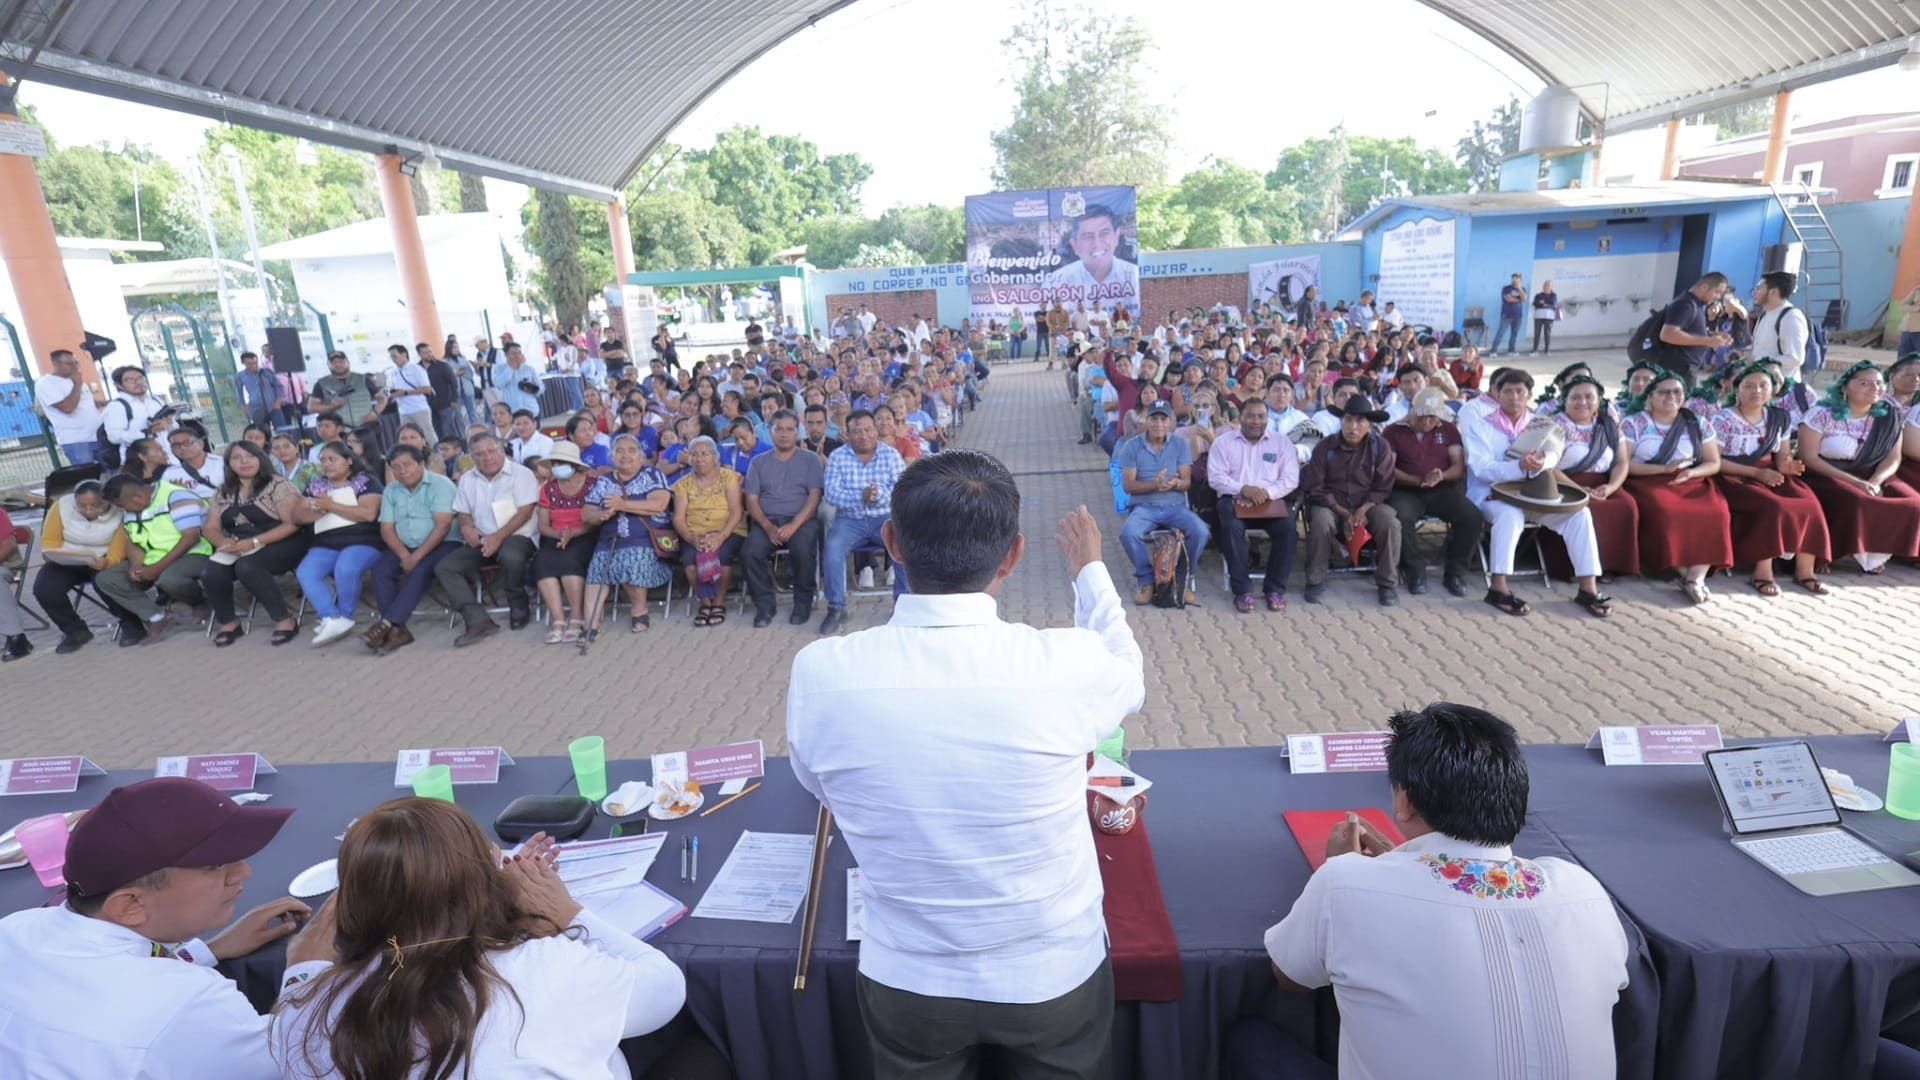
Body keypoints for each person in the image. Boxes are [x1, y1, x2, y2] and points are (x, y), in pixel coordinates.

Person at [787, 457, 1143, 1080]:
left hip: (909, 977)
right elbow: (1126, 674)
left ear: (891, 543)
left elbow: (821, 789)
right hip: (1051, 971)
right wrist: (1089, 570)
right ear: (1013, 556)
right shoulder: (1063, 663)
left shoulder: (822, 672)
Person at [1237, 704, 1629, 1080]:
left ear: (1404, 801)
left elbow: (1290, 976)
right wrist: (1400, 864)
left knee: (1249, 1044)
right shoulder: (1583, 892)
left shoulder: (1343, 885)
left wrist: (1340, 866)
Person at [270, 799, 686, 1080]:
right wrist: (566, 914)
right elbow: (666, 990)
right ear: (482, 886)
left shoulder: (305, 1011)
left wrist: (302, 972)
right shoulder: (547, 967)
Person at [0, 777, 328, 1080]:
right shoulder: (187, 1003)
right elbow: (295, 1059)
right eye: (216, 866)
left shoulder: (16, 928)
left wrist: (206, 951)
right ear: (130, 905)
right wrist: (305, 967)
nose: (243, 873)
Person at [1463, 368, 1612, 617]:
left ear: (1529, 395)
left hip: (1533, 494)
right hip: (1491, 495)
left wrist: (1541, 464)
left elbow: (1553, 455)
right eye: (1507, 391)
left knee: (1580, 515)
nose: (1514, 397)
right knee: (1510, 515)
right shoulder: (1480, 426)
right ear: (1496, 395)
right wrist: (1518, 466)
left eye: (1520, 391)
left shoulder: (1541, 424)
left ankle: (1588, 588)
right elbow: (1480, 468)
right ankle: (1498, 588)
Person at [1711, 361, 1831, 596]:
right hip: (1733, 476)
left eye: (1763, 386)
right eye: (1749, 386)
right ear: (1737, 390)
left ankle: (1805, 571)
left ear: (1773, 390)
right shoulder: (1722, 419)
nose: (1757, 391)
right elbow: (1715, 461)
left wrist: (1789, 466)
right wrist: (1756, 473)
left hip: (1769, 473)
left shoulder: (1779, 417)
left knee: (1809, 504)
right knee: (1773, 507)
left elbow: (1782, 458)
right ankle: (1762, 572)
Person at [1618, 369, 1734, 604]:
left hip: (1690, 479)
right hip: (1648, 480)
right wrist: (1662, 470)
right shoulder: (1634, 423)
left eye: (1677, 392)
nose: (1671, 396)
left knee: (1716, 511)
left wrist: (1693, 471)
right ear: (1650, 396)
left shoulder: (1697, 422)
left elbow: (1713, 462)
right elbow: (1625, 464)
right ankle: (1684, 572)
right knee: (1665, 512)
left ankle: (1696, 578)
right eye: (1663, 392)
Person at [1798, 359, 1920, 573]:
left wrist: (1875, 481)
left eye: (1879, 383)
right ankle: (1830, 554)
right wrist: (1856, 482)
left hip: (1872, 473)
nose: (1874, 388)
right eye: (1865, 383)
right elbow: (1809, 458)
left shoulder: (1890, 416)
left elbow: (1893, 459)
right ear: (1845, 387)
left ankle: (1876, 554)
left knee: (1913, 503)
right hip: (1826, 473)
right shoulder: (1822, 414)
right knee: (1858, 501)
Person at [201, 441, 311, 646]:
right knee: (211, 572)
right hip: (241, 545)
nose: (244, 462)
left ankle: (284, 619)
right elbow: (210, 528)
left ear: (260, 458)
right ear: (228, 464)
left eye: (250, 456)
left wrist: (254, 541)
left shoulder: (277, 484)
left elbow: (292, 524)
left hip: (284, 540)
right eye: (236, 458)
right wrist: (223, 541)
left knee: (248, 566)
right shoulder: (223, 492)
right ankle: (229, 622)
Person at [1301, 393, 1401, 606]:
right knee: (1320, 522)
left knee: (1390, 523)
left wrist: (1362, 510)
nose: (1353, 426)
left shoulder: (1380, 447)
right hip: (1332, 506)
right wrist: (1345, 513)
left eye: (1360, 421)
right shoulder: (1324, 447)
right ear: (1341, 421)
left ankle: (1387, 583)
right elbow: (1316, 488)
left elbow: (1383, 486)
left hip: (1369, 506)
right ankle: (1315, 580)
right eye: (1348, 419)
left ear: (1369, 424)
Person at [439, 433, 539, 639]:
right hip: (482, 539)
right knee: (446, 567)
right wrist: (467, 529)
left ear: (502, 450)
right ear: (472, 457)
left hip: (517, 535)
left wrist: (497, 538)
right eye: (480, 454)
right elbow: (464, 514)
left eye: (492, 451)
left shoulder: (521, 474)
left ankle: (518, 604)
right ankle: (477, 619)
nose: (487, 457)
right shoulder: (467, 479)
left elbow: (525, 512)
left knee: (511, 556)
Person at [94, 473, 213, 645]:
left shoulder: (176, 496)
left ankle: (199, 602)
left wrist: (157, 568)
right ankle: (157, 616)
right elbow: (132, 541)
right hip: (154, 557)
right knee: (107, 579)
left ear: (138, 497)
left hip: (194, 553)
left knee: (170, 579)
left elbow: (191, 537)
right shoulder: (133, 507)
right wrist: (136, 565)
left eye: (121, 506)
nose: (121, 510)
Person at [1383, 388, 1480, 596]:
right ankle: (1415, 571)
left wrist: (1441, 476)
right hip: (1405, 490)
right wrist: (1418, 480)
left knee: (1471, 516)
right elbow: (1388, 469)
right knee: (1401, 518)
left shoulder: (1448, 429)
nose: (1427, 421)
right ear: (1412, 411)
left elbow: (1458, 466)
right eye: (1422, 416)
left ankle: (1455, 573)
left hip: (1441, 488)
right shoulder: (1393, 431)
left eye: (1432, 417)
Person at [818, 411, 908, 635]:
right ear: (847, 434)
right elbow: (831, 494)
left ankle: (904, 606)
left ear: (876, 430)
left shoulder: (891, 455)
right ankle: (837, 607)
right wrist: (861, 496)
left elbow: (902, 490)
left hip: (884, 517)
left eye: (868, 429)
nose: (863, 435)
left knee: (903, 546)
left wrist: (877, 496)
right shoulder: (838, 456)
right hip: (850, 519)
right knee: (832, 550)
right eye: (857, 431)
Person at [1208, 399, 1299, 613]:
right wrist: (1244, 489)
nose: (1256, 421)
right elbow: (1215, 477)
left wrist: (1265, 493)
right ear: (1240, 418)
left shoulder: (1281, 443)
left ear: (1267, 419)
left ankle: (1275, 589)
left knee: (1288, 530)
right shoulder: (1223, 442)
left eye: (1261, 416)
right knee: (1231, 529)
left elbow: (1290, 479)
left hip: (1270, 502)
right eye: (1250, 416)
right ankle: (1243, 591)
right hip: (1234, 499)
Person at [365, 444, 459, 652]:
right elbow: (387, 529)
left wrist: (415, 558)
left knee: (421, 569)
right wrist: (404, 554)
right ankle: (399, 630)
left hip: (443, 542)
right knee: (381, 570)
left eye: (407, 465)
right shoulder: (391, 489)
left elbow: (443, 526)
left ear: (421, 464)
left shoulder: (440, 484)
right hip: (405, 545)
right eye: (396, 467)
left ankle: (387, 624)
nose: (402, 471)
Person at [581, 433, 674, 641]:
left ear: (640, 456)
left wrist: (623, 505)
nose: (626, 455)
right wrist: (601, 515)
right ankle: (590, 626)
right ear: (612, 456)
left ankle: (639, 611)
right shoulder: (604, 481)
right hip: (609, 539)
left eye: (632, 450)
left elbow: (659, 504)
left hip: (645, 538)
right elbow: (587, 513)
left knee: (630, 559)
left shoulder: (652, 474)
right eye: (620, 451)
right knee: (596, 571)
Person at [292, 440, 385, 646]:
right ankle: (331, 617)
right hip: (325, 542)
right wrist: (313, 510)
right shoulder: (316, 485)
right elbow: (297, 516)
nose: (326, 464)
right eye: (323, 460)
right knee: (306, 572)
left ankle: (345, 616)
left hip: (363, 540)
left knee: (346, 566)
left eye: (332, 459)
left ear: (349, 461)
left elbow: (368, 514)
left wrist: (331, 505)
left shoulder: (367, 481)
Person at [1115, 400, 1207, 605]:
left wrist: (1175, 483)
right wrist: (1154, 485)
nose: (1158, 423)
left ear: (1171, 423)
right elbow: (1129, 486)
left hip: (1175, 507)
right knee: (1128, 533)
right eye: (1154, 418)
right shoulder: (1132, 446)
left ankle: (1185, 578)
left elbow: (1186, 481)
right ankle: (1147, 580)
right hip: (1144, 507)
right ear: (1147, 421)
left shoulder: (1179, 444)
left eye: (1163, 419)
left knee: (1201, 532)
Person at [1548, 377, 1640, 581]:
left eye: (1589, 397)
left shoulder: (1609, 426)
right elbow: (1549, 467)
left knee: (1626, 506)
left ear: (1599, 401)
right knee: (1585, 510)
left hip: (1602, 482)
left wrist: (1611, 486)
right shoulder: (1554, 426)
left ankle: (1609, 566)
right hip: (1564, 483)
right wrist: (1578, 488)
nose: (1582, 402)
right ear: (1565, 401)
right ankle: (1575, 568)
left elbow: (1621, 462)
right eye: (1575, 397)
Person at [742, 410, 826, 627]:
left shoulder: (810, 460)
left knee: (802, 550)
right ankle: (765, 605)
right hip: (768, 520)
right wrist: (768, 527)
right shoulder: (758, 463)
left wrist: (794, 524)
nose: (784, 434)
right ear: (770, 432)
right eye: (779, 429)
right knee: (750, 552)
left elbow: (814, 496)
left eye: (790, 429)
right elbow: (752, 500)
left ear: (797, 433)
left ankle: (803, 603)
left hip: (802, 520)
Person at [29, 479, 129, 654]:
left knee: (106, 582)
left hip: (103, 558)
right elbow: (50, 542)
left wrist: (107, 562)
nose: (88, 510)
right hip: (68, 558)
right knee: (44, 588)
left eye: (95, 505)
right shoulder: (62, 506)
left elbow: (118, 549)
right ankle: (76, 631)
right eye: (82, 506)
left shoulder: (119, 511)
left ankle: (130, 624)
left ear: (106, 500)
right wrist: (53, 555)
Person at [531, 442, 603, 643]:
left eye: (561, 462)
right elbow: (543, 524)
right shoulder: (548, 489)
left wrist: (574, 533)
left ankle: (578, 616)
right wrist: (560, 535)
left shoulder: (593, 484)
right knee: (544, 562)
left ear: (574, 464)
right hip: (555, 536)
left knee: (570, 560)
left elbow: (596, 520)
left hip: (585, 535)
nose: (557, 466)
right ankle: (558, 619)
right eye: (555, 463)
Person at [671, 435, 746, 628]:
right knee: (690, 563)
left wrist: (720, 537)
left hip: (728, 529)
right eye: (694, 454)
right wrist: (691, 538)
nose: (699, 458)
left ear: (715, 457)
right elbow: (678, 518)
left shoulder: (728, 477)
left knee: (722, 557)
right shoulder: (683, 484)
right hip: (695, 533)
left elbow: (737, 511)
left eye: (704, 454)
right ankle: (705, 602)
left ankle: (718, 602)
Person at [1045, 204, 1140, 306]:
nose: (1097, 244)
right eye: (1088, 237)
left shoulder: (1133, 275)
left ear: (1116, 237)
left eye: (1104, 233)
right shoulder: (1056, 281)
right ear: (1075, 245)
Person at [306, 351, 387, 454]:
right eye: (334, 362)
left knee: (376, 457)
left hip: (367, 428)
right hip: (342, 432)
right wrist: (332, 407)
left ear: (348, 362)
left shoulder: (363, 379)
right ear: (328, 365)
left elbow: (383, 398)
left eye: (341, 361)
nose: (338, 364)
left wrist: (375, 413)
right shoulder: (322, 384)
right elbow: (311, 407)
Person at [35, 347, 105, 465]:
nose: (74, 367)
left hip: (98, 436)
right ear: (55, 363)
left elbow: (85, 403)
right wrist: (77, 384)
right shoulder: (46, 384)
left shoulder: (76, 380)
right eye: (69, 364)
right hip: (77, 441)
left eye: (75, 363)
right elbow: (68, 408)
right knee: (87, 478)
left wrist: (105, 403)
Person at [1658, 272, 1734, 375]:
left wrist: (1712, 335)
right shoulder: (1686, 305)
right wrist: (1707, 341)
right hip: (1678, 369)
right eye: (1717, 292)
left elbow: (1687, 330)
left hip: (1685, 368)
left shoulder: (1695, 305)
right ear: (1704, 287)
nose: (1718, 297)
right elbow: (1668, 334)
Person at [103, 365, 175, 464]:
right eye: (129, 380)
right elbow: (114, 437)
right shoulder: (117, 406)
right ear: (119, 385)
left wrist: (169, 423)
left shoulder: (155, 400)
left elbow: (174, 427)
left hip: (168, 457)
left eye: (140, 378)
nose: (138, 382)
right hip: (140, 462)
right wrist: (147, 432)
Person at [1750, 270, 1810, 384]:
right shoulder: (1765, 313)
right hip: (1762, 384)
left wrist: (1760, 361)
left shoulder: (1790, 317)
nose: (1755, 292)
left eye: (1759, 288)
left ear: (1773, 292)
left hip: (1782, 387)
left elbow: (1795, 358)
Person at [161, 426, 224, 498]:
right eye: (176, 445)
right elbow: (165, 501)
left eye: (187, 443)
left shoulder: (222, 463)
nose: (182, 447)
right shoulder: (170, 474)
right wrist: (176, 493)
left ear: (201, 444)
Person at [493, 342, 543, 417]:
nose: (517, 356)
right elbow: (499, 384)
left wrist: (534, 389)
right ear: (506, 355)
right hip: (511, 412)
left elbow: (541, 386)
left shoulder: (529, 369)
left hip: (530, 410)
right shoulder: (499, 369)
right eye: (513, 353)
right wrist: (511, 368)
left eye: (519, 353)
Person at [232, 350, 281, 426]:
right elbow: (239, 394)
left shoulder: (266, 372)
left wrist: (278, 402)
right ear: (243, 363)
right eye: (249, 364)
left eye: (255, 363)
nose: (253, 366)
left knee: (281, 431)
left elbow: (279, 386)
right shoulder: (240, 376)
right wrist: (244, 409)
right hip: (257, 409)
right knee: (262, 432)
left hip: (273, 407)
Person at [1495, 273, 1526, 355]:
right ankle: (1493, 351)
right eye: (1513, 278)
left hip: (1518, 316)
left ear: (1520, 280)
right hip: (1507, 315)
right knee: (1501, 333)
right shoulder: (1506, 288)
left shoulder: (1522, 289)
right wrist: (1519, 300)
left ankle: (1511, 350)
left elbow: (1524, 298)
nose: (1514, 280)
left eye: (1517, 279)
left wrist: (1519, 289)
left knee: (1514, 334)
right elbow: (1509, 299)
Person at [1529, 280, 1561, 355]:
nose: (1546, 287)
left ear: (1551, 287)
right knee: (1537, 333)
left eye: (1548, 285)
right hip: (1538, 316)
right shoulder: (1538, 295)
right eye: (1545, 285)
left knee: (1547, 333)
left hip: (1549, 317)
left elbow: (1553, 304)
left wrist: (1544, 304)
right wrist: (1545, 304)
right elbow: (1535, 304)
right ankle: (1535, 349)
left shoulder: (1554, 295)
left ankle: (1547, 350)